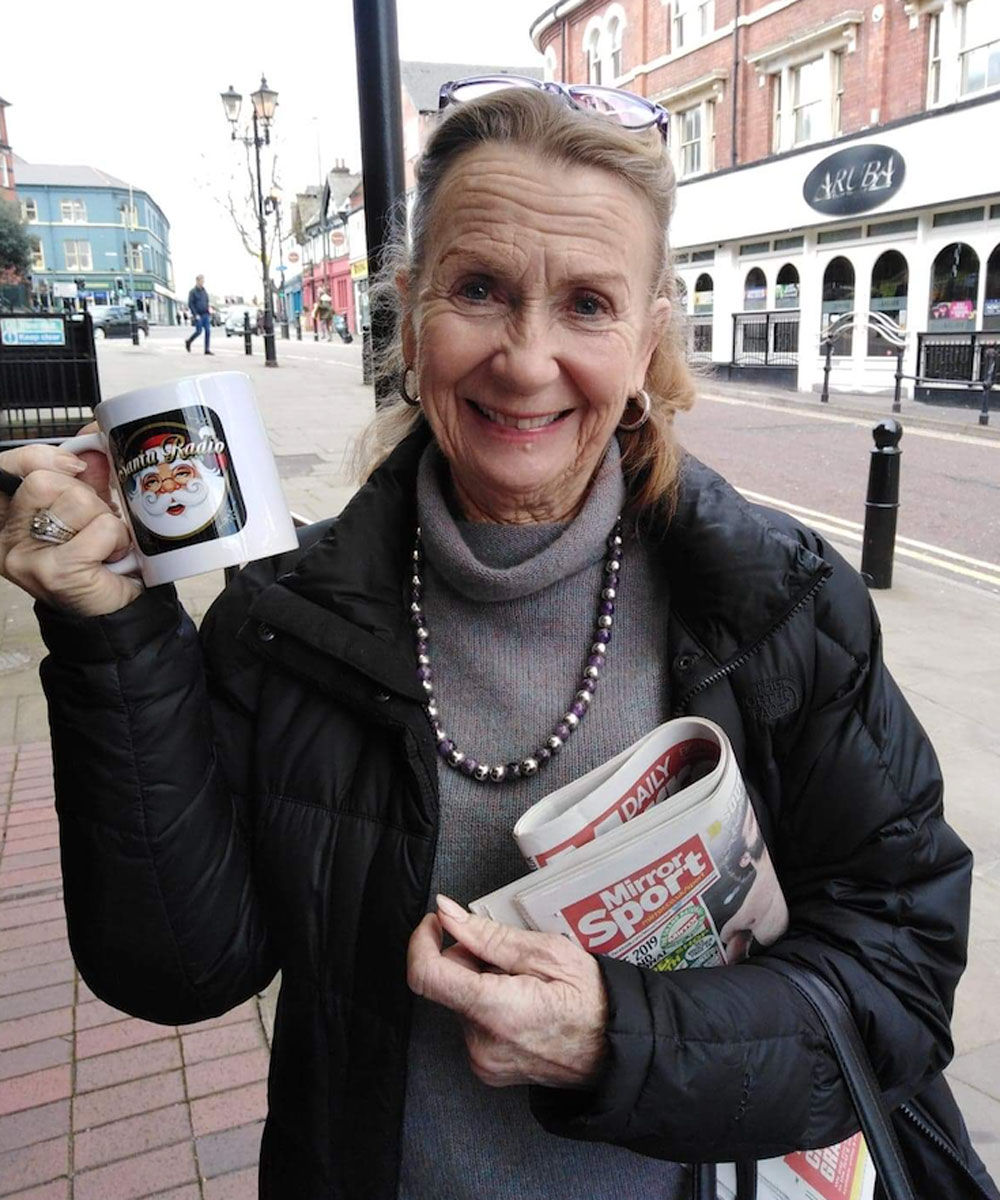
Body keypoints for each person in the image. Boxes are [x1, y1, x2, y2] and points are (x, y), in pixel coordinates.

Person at [0, 83, 995, 1200]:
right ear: (410, 311)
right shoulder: (283, 619)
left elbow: (901, 977)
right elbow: (179, 971)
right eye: (478, 289)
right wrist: (114, 639)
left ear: (648, 334)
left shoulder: (780, 606)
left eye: (586, 304)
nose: (526, 360)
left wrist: (616, 1039)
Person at [185, 274, 212, 354]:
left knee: (208, 330)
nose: (202, 283)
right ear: (197, 281)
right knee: (199, 331)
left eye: (203, 281)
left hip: (205, 314)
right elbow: (190, 304)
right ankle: (189, 341)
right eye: (201, 281)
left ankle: (207, 349)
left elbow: (206, 301)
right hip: (198, 314)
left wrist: (208, 310)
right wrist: (195, 314)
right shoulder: (193, 292)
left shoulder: (204, 291)